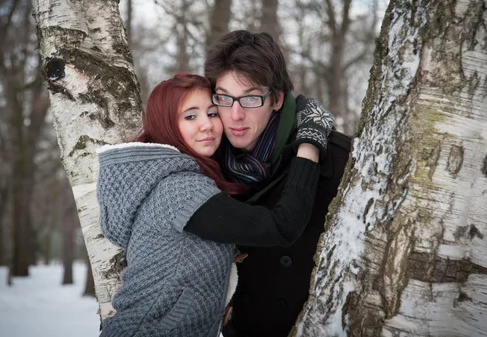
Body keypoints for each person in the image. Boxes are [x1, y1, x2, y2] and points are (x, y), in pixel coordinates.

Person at [95, 73, 334, 337]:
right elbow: (281, 226)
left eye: (211, 114)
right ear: (167, 125)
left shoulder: (182, 182)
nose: (207, 125)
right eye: (190, 116)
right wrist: (310, 143)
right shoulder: (180, 191)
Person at [203, 30, 352, 337]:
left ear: (277, 99)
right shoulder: (205, 163)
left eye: (251, 97)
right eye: (224, 97)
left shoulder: (339, 160)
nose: (235, 115)